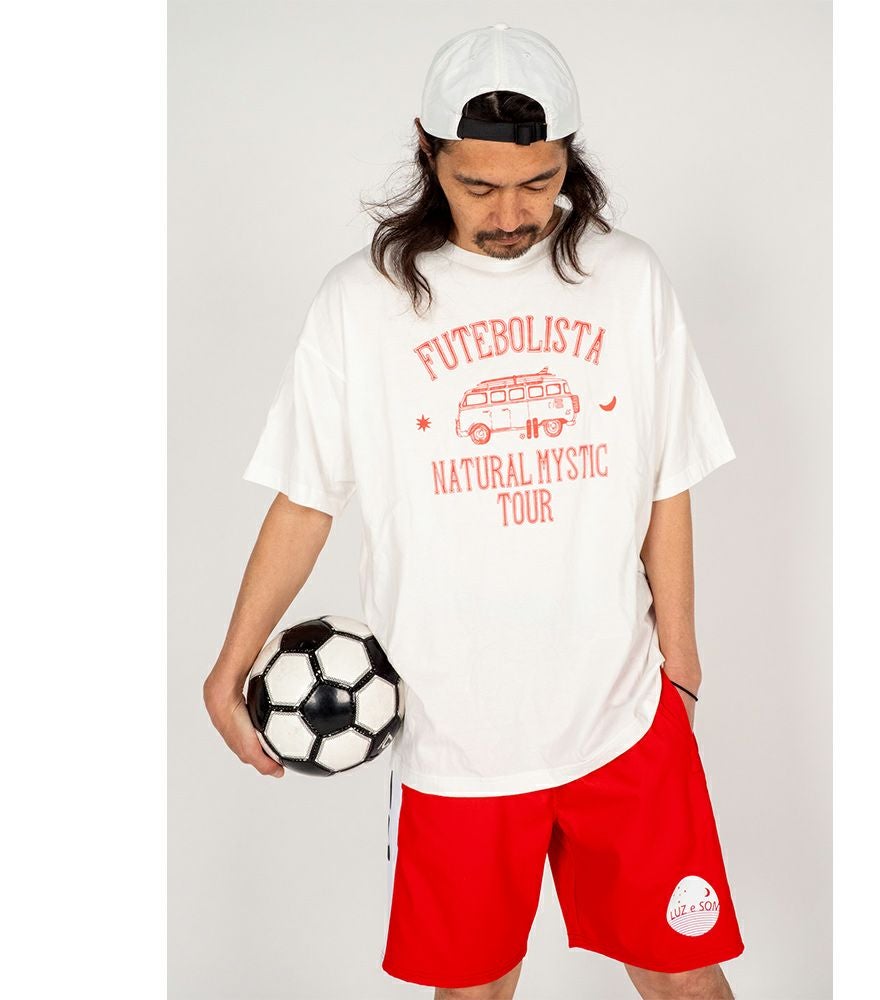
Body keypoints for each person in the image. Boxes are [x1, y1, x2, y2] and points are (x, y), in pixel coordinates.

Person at [203, 22, 745, 1000]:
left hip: (622, 717)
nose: (510, 213)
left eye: (538, 182)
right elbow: (305, 499)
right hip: (454, 733)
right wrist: (229, 663)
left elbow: (668, 481)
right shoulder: (360, 303)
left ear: (569, 156)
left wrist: (683, 664)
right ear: (428, 152)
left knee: (683, 978)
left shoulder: (629, 281)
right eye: (478, 185)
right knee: (473, 989)